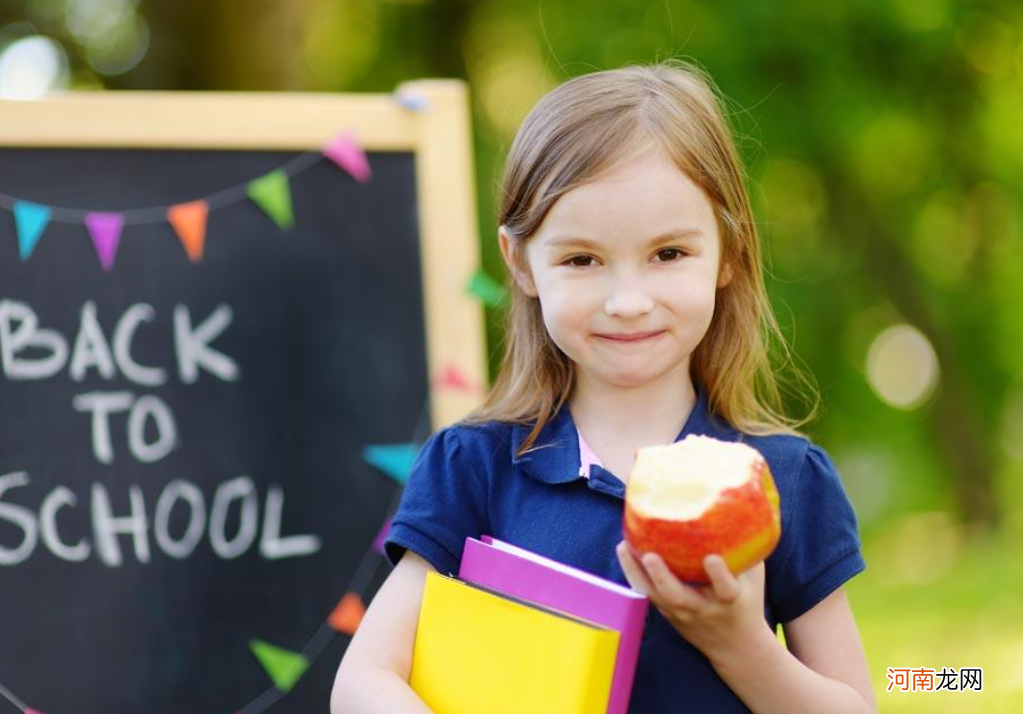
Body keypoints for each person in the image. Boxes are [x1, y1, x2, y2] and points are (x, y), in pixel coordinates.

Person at [331, 60, 876, 714]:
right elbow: (363, 682)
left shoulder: (786, 481)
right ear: (521, 263)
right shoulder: (472, 467)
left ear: (728, 251)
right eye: (582, 260)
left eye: (668, 254)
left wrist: (741, 646)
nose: (627, 300)